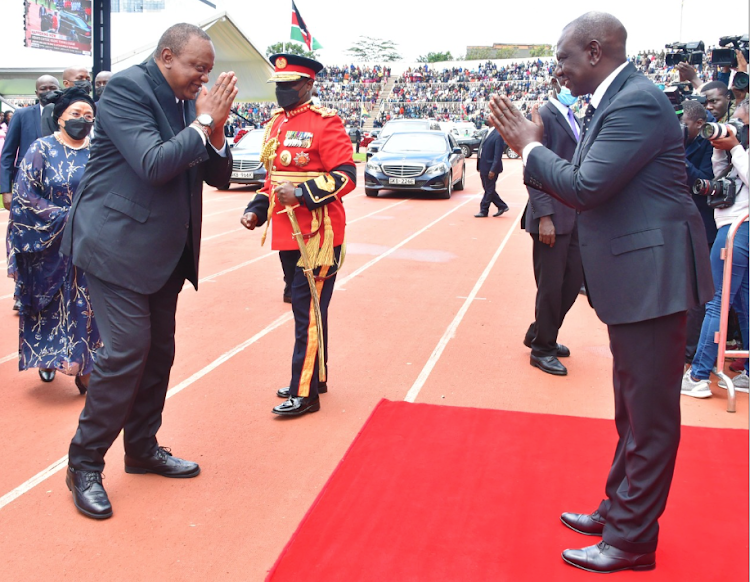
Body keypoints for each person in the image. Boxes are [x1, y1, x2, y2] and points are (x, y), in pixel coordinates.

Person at [488, 12, 712, 574]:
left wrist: (531, 148)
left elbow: (586, 186)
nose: (558, 69)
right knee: (631, 412)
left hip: (655, 280)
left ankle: (633, 541)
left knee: (650, 418)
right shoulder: (623, 98)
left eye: (563, 58)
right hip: (640, 279)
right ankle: (618, 511)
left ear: (594, 51)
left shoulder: (635, 101)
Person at [60, 23, 236, 520]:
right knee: (127, 351)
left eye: (207, 71)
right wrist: (203, 122)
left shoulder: (186, 100)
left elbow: (218, 175)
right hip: (115, 245)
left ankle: (140, 449)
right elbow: (155, 164)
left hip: (162, 250)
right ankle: (84, 463)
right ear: (165, 57)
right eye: (196, 68)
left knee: (159, 352)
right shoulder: (127, 90)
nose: (203, 79)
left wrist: (215, 130)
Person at [241, 54, 356, 418]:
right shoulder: (276, 124)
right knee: (306, 309)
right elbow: (273, 180)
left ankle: (304, 392)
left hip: (319, 234)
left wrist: (304, 194)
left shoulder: (327, 123)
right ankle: (313, 377)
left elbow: (347, 175)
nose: (282, 92)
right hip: (287, 234)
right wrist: (258, 209)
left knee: (307, 312)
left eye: (289, 85)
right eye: (278, 85)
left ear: (308, 86)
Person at [9, 87, 100, 391]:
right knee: (51, 304)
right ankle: (48, 356)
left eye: (88, 116)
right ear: (60, 117)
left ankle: (85, 365)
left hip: (91, 242)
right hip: (49, 246)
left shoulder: (99, 150)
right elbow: (25, 195)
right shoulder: (41, 149)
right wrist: (65, 217)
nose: (82, 120)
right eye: (75, 114)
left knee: (88, 304)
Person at [682, 98, 749, 397]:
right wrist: (723, 151)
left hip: (737, 228)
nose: (738, 128)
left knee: (716, 301)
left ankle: (696, 376)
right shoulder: (739, 149)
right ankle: (748, 373)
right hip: (735, 225)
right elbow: (720, 179)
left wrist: (735, 148)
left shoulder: (742, 149)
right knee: (745, 303)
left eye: (743, 123)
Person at [521, 78, 583, 376]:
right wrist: (544, 215)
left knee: (572, 284)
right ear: (555, 84)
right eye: (568, 83)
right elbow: (532, 166)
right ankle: (542, 349)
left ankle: (540, 332)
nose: (574, 88)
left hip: (574, 215)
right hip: (551, 217)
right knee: (551, 288)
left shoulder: (576, 117)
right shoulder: (543, 116)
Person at [2, 75, 61, 312]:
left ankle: (52, 290)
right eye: (43, 88)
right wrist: (6, 190)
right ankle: (22, 291)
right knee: (24, 243)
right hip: (26, 191)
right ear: (36, 92)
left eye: (52, 87)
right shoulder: (22, 115)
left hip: (56, 193)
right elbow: (8, 155)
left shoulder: (64, 114)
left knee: (52, 244)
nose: (47, 91)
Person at [682, 99, 717, 363]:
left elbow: (705, 183)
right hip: (678, 223)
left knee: (696, 292)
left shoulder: (710, 144)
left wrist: (679, 159)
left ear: (699, 124)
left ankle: (689, 350)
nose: (680, 130)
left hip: (703, 225)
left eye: (685, 125)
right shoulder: (683, 140)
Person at [41, 67, 92, 136]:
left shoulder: (91, 106)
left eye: (88, 79)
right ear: (66, 83)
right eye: (80, 78)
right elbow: (49, 138)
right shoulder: (52, 107)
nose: (85, 82)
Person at [474, 119, 508, 217]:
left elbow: (497, 155)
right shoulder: (486, 132)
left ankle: (484, 209)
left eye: (489, 117)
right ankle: (502, 206)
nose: (486, 118)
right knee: (488, 188)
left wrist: (493, 169)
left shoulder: (498, 135)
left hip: (490, 167)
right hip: (483, 165)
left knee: (489, 189)